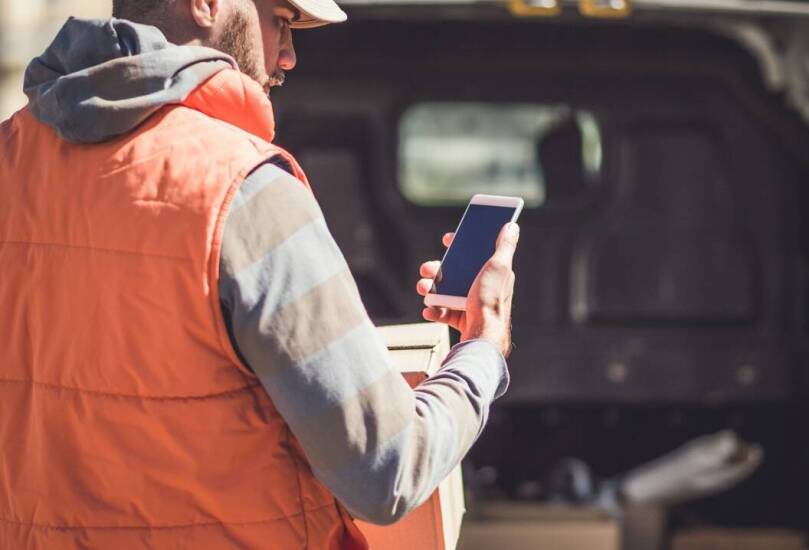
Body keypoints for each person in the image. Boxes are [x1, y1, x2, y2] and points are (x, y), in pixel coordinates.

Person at [0, 0, 519, 547]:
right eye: (282, 19)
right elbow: (387, 472)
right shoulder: (245, 189)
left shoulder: (11, 157)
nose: (289, 55)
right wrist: (482, 348)